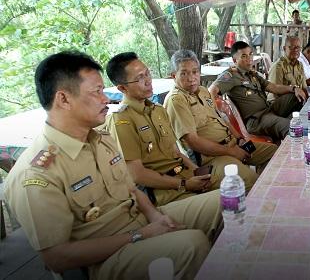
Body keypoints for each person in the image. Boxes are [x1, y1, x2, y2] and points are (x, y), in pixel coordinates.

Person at [4, 51, 222, 279]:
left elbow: (132, 190)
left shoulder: (100, 138)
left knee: (224, 200)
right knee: (193, 244)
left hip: (143, 219)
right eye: (97, 91)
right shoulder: (37, 173)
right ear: (64, 99)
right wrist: (141, 235)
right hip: (107, 256)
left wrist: (156, 217)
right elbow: (57, 258)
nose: (105, 99)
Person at [105, 52, 213, 206]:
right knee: (227, 203)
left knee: (235, 188)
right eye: (140, 78)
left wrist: (197, 171)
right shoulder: (121, 120)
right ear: (122, 88)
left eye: (147, 73)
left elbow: (175, 152)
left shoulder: (158, 110)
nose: (148, 81)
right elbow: (137, 174)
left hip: (186, 177)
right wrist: (184, 184)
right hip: (164, 193)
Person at [163, 50, 278, 192]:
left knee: (274, 153)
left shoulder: (203, 91)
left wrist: (240, 139)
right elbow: (193, 142)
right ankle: (253, 197)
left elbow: (221, 119)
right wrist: (231, 152)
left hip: (233, 144)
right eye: (184, 73)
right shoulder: (177, 100)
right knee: (249, 181)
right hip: (213, 157)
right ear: (174, 76)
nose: (191, 78)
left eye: (195, 72)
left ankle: (264, 191)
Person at [210, 41, 307, 142]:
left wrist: (294, 88)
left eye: (250, 54)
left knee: (296, 97)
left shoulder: (252, 74)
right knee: (291, 127)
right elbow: (211, 90)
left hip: (269, 110)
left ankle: (285, 127)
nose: (249, 58)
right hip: (257, 120)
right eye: (244, 56)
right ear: (235, 60)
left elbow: (273, 87)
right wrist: (215, 113)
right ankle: (292, 147)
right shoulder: (230, 76)